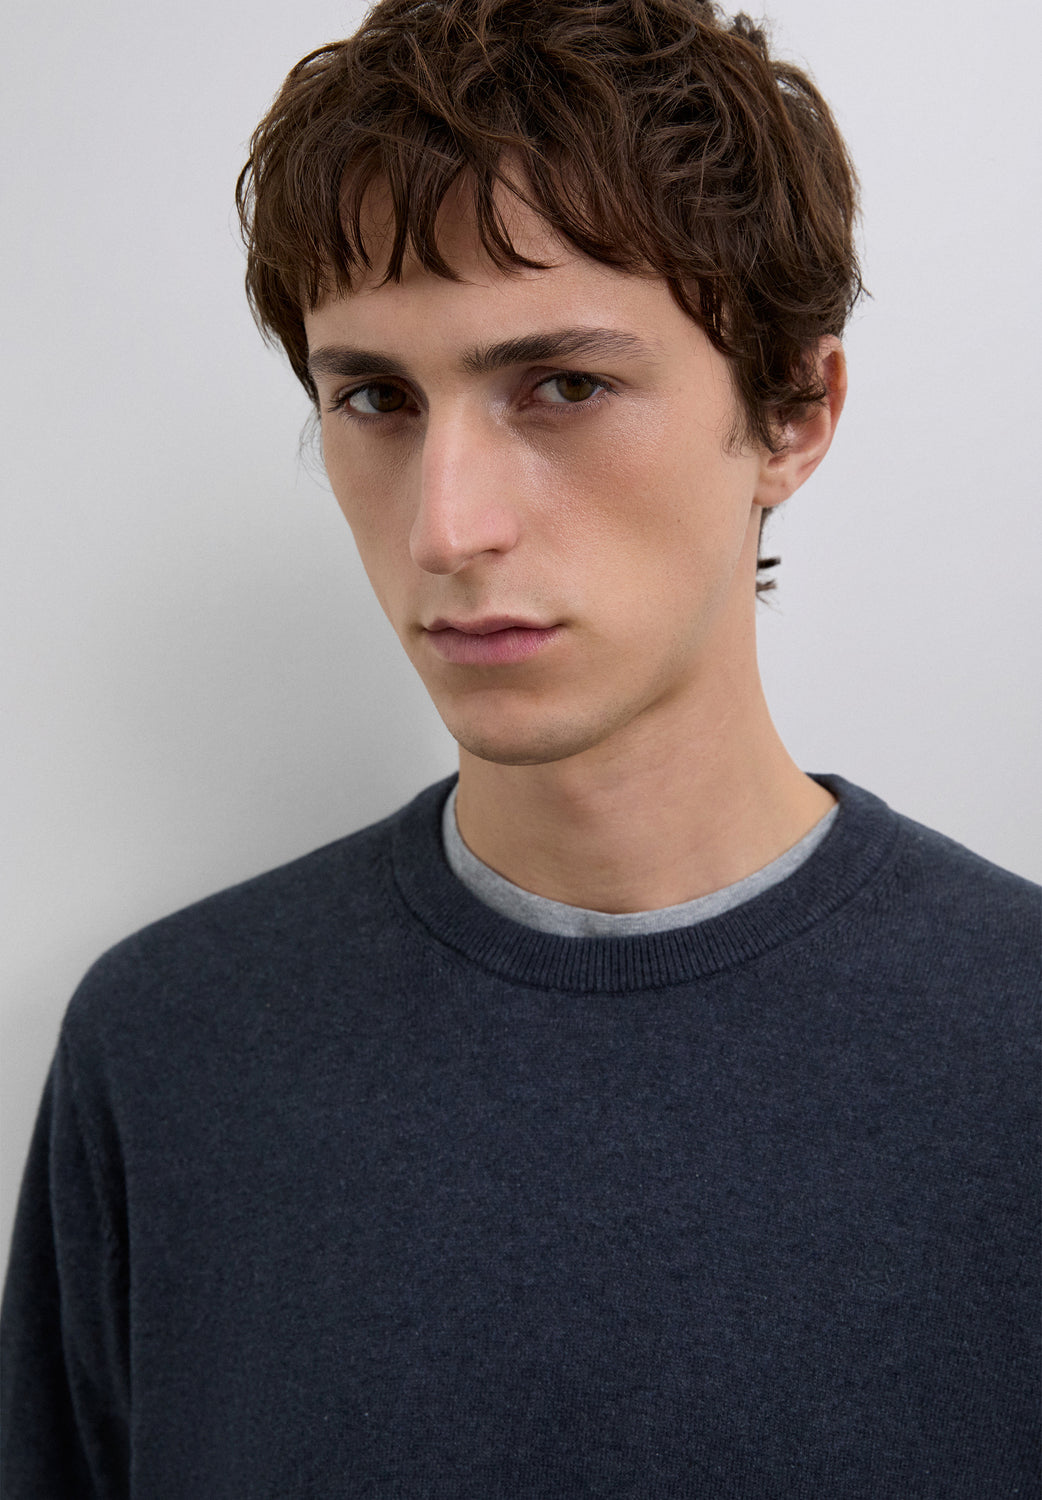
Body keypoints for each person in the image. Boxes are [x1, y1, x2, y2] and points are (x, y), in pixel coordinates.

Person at [2, 0, 1037, 1492]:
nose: (446, 525)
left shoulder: (1014, 1052)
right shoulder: (165, 1052)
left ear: (794, 414)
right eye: (375, 398)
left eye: (562, 385)